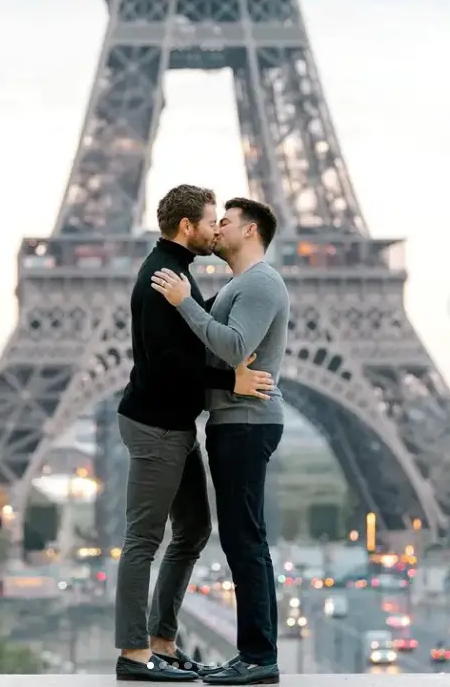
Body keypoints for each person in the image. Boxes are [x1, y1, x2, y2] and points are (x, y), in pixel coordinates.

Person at [115, 185, 275, 682]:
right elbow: (168, 364)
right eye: (210, 221)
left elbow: (203, 336)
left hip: (174, 426)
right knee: (144, 537)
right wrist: (232, 379)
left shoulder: (181, 272)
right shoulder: (163, 274)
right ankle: (134, 655)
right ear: (188, 226)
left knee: (193, 529)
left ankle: (162, 640)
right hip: (156, 426)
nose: (215, 228)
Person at [151, 197, 289, 686]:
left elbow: (232, 347)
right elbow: (216, 359)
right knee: (242, 538)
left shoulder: (260, 283)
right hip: (236, 420)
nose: (217, 229)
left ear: (250, 231)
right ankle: (255, 654)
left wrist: (182, 301)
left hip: (247, 425)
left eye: (225, 222)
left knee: (244, 539)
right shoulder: (240, 284)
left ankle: (258, 657)